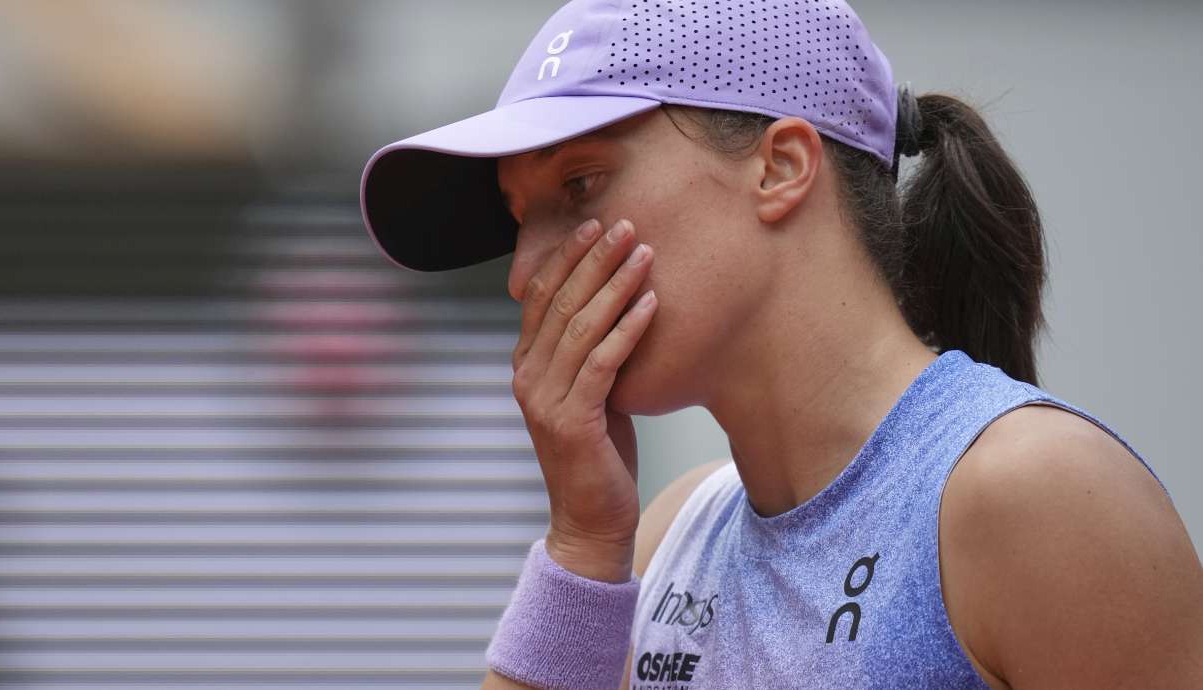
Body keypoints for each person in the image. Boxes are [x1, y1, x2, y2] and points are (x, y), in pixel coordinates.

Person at [359, 1, 1203, 687]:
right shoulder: (667, 540)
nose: (525, 273)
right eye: (520, 220)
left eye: (578, 185)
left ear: (782, 167)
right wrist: (582, 544)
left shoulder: (1037, 493)